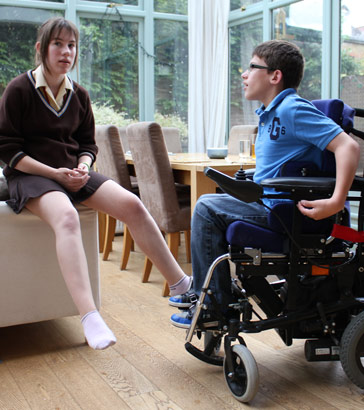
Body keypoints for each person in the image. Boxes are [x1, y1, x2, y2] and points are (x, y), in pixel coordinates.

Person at [0, 17, 191, 349]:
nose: (66, 51)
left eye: (71, 45)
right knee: (67, 217)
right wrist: (55, 174)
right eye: (58, 44)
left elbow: (88, 145)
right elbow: (7, 149)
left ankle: (182, 287)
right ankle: (89, 315)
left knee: (132, 204)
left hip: (72, 173)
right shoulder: (19, 89)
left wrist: (83, 166)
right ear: (40, 49)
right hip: (31, 176)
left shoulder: (79, 95)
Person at [169, 39, 360, 328]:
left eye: (251, 67)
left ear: (275, 76)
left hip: (285, 211)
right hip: (269, 203)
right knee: (211, 202)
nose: (244, 74)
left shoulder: (292, 109)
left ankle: (213, 305)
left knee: (207, 207)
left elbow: (348, 147)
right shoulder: (271, 113)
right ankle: (210, 294)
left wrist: (335, 201)